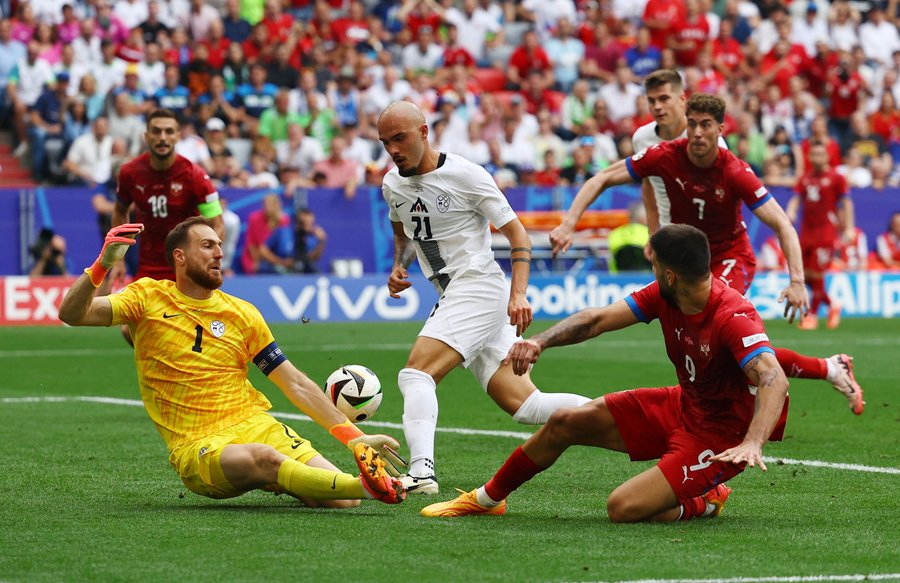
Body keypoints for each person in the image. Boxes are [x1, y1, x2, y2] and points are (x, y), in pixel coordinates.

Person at [421, 225, 788, 521]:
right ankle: (486, 500)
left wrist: (752, 443)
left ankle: (706, 499)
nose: (652, 270)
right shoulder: (668, 294)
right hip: (684, 405)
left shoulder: (731, 316)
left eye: (655, 264)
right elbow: (596, 320)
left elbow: (774, 378)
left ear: (671, 274)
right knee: (565, 421)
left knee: (623, 508)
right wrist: (540, 343)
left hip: (720, 434)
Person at [551, 73, 863, 416]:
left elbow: (781, 222)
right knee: (705, 338)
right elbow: (611, 178)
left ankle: (756, 398)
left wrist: (797, 281)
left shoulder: (732, 168)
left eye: (705, 126)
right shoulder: (659, 151)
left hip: (729, 255)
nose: (698, 133)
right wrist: (571, 224)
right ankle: (828, 369)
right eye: (693, 126)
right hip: (682, 255)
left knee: (718, 330)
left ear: (718, 129)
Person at [57, 218, 405, 506]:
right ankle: (364, 486)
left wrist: (355, 439)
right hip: (198, 445)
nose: (219, 253)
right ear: (179, 256)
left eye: (220, 245)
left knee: (342, 502)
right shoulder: (147, 296)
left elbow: (293, 383)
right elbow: (73, 314)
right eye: (207, 245)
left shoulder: (242, 313)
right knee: (269, 460)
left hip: (255, 424)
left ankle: (303, 482)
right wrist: (103, 264)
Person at [377, 101, 591, 495]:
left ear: (424, 132)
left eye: (400, 138)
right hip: (453, 292)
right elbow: (402, 229)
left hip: (476, 285)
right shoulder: (393, 184)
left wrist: (519, 293)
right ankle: (626, 414)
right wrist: (398, 265)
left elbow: (518, 235)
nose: (393, 149)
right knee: (527, 405)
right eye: (385, 142)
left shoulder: (467, 176)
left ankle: (422, 472)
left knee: (416, 373)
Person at [786, 141, 855, 331]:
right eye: (813, 154)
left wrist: (849, 227)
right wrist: (790, 212)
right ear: (809, 157)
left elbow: (847, 203)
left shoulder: (836, 178)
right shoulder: (805, 178)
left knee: (817, 273)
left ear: (827, 157)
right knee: (807, 277)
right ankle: (832, 305)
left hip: (825, 233)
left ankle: (812, 316)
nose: (817, 158)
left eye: (820, 154)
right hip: (806, 233)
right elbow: (796, 198)